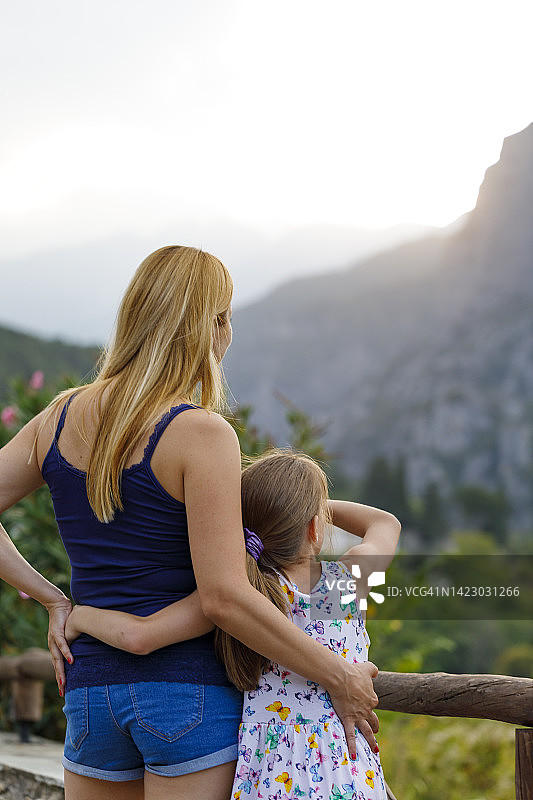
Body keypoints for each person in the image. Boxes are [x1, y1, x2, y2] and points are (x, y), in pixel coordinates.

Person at [0, 245, 381, 800]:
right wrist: (337, 673)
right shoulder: (201, 434)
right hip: (186, 696)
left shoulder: (57, 417)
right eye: (225, 317)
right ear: (211, 327)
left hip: (90, 693)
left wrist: (56, 600)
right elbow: (224, 594)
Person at [66, 450, 401, 800]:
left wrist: (81, 615)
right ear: (316, 527)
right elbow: (385, 523)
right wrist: (304, 504)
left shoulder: (241, 596)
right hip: (347, 768)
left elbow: (139, 635)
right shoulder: (346, 583)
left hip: (272, 774)